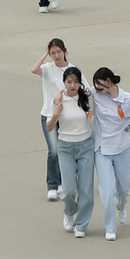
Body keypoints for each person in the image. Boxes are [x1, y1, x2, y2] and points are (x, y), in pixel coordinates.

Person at [90, 66, 130, 241]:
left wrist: (127, 122)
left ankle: (121, 207)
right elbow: (77, 90)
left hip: (122, 148)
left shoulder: (128, 99)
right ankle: (110, 227)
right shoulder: (95, 95)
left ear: (109, 81)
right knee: (106, 191)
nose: (99, 90)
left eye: (101, 86)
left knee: (123, 188)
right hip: (102, 150)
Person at [47, 64, 94, 236]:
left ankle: (81, 225)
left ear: (80, 83)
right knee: (67, 190)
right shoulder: (59, 101)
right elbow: (50, 126)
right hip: (65, 147)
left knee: (86, 191)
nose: (72, 85)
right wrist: (55, 114)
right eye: (69, 82)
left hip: (86, 146)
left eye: (75, 82)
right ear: (64, 83)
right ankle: (69, 212)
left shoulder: (86, 98)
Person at [31, 36, 70, 199]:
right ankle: (52, 185)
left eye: (58, 52)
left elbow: (84, 90)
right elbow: (34, 69)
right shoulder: (47, 68)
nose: (56, 55)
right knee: (53, 150)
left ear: (65, 51)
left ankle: (63, 183)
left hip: (67, 117)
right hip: (48, 115)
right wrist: (44, 54)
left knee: (65, 151)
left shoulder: (73, 70)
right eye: (53, 53)